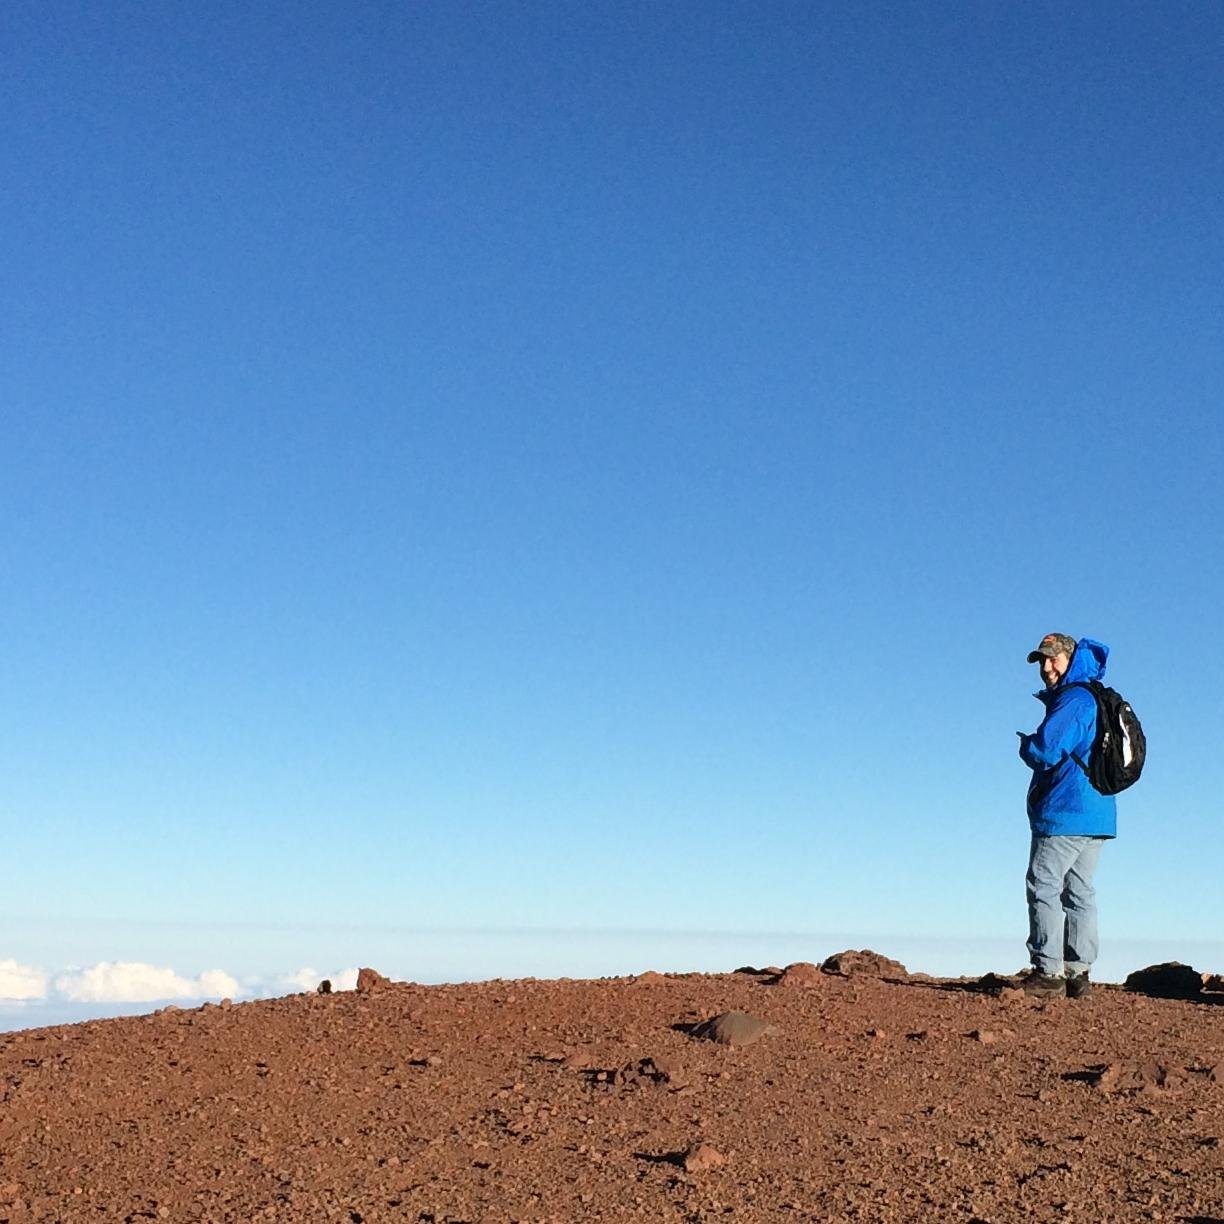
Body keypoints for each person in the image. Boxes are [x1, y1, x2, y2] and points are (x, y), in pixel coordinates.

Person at [1016, 633, 1117, 999]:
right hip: (1097, 813)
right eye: (1041, 661)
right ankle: (1078, 974)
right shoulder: (1093, 697)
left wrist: (1026, 745)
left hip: (1066, 809)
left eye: (1052, 659)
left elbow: (1046, 749)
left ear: (1070, 658)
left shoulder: (1074, 699)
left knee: (1043, 883)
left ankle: (1048, 972)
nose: (1046, 668)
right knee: (1079, 891)